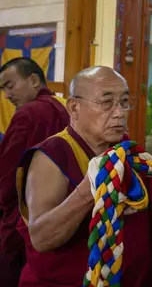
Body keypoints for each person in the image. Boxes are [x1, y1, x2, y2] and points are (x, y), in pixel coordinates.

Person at [16, 66, 152, 287]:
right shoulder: (52, 155)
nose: (119, 112)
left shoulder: (123, 151)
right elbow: (41, 238)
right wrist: (90, 188)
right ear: (74, 107)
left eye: (124, 101)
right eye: (107, 102)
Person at [0, 58, 69, 287]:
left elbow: (6, 173)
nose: (7, 95)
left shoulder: (28, 114)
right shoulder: (65, 107)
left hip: (24, 216)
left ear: (33, 79)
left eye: (10, 85)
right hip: (64, 212)